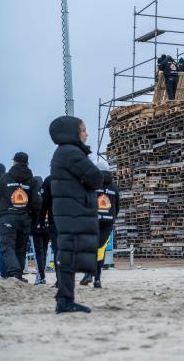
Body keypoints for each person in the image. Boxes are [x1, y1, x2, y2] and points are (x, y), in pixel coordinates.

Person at [49, 116, 103, 314]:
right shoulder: (71, 153)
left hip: (70, 211)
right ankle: (65, 301)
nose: (86, 133)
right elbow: (95, 178)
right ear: (73, 132)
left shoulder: (64, 152)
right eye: (83, 130)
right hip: (74, 212)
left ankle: (66, 298)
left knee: (69, 253)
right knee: (69, 254)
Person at [0, 153, 40, 282]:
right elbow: (36, 203)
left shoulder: (5, 178)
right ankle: (18, 276)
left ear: (14, 162)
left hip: (7, 217)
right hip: (25, 218)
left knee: (7, 246)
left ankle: (14, 273)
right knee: (20, 248)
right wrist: (34, 221)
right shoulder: (32, 180)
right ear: (27, 163)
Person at [80, 161, 119, 289]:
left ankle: (89, 273)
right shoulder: (114, 186)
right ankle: (97, 279)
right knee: (100, 249)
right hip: (108, 223)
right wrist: (111, 217)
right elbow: (117, 205)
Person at [39, 175, 59, 287]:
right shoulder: (74, 176)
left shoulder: (50, 179)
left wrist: (41, 220)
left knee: (58, 250)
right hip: (72, 220)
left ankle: (61, 280)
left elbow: (44, 202)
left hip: (55, 220)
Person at [31, 176, 49, 285]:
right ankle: (43, 276)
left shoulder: (33, 195)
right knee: (44, 251)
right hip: (47, 227)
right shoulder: (46, 194)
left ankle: (40, 277)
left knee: (38, 253)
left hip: (36, 228)